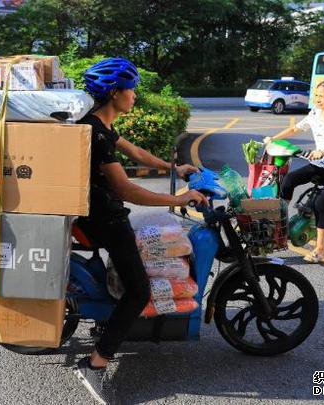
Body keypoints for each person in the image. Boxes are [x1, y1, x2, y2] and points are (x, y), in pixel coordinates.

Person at [73, 57, 207, 404]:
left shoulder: (99, 125)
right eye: (131, 89)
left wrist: (175, 167)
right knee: (138, 291)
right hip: (104, 218)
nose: (134, 95)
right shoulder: (96, 134)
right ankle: (95, 363)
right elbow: (126, 189)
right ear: (115, 92)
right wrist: (176, 199)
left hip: (102, 213)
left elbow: (134, 152)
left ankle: (109, 322)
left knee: (137, 266)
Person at [264, 79, 324, 263]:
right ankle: (280, 225)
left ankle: (319, 249)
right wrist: (272, 139)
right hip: (319, 165)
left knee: (320, 203)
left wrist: (322, 151)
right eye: (316, 95)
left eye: (321, 96)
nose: (317, 99)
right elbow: (295, 128)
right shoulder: (315, 112)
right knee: (288, 180)